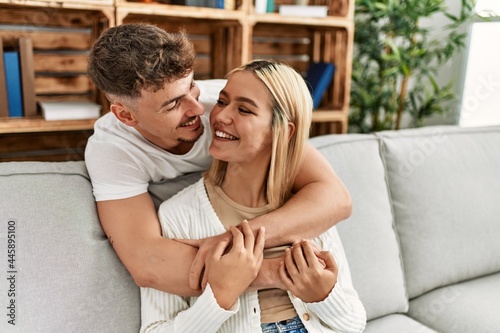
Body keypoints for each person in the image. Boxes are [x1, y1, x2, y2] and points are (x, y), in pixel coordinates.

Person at [85, 23, 352, 296]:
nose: (199, 109)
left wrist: (232, 238)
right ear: (126, 116)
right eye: (174, 104)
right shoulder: (113, 150)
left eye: (192, 87)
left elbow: (335, 198)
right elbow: (149, 264)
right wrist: (278, 273)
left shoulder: (229, 103)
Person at [141, 59, 366, 332]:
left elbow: (354, 324)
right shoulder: (178, 214)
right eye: (223, 102)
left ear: (281, 131)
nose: (221, 116)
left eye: (244, 110)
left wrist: (322, 296)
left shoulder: (308, 209)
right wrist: (220, 296)